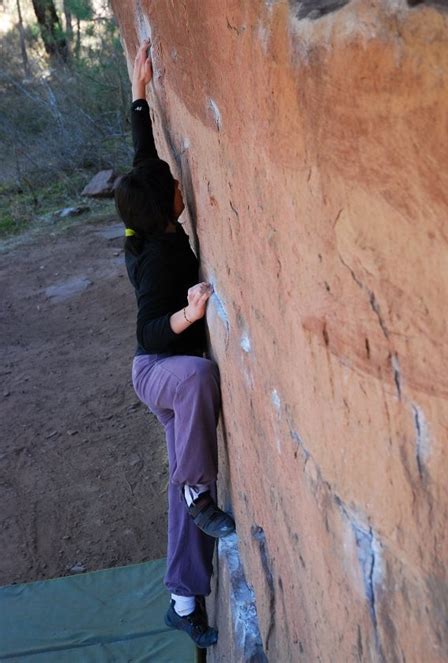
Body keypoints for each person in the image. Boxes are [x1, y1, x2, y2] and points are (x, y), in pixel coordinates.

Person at [114, 39, 235, 649]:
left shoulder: (147, 216)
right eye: (176, 190)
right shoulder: (157, 260)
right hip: (159, 367)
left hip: (168, 366)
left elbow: (144, 162)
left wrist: (141, 93)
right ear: (167, 212)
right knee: (198, 379)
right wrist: (188, 318)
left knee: (184, 470)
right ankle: (197, 490)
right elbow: (148, 332)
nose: (182, 189)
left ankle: (183, 601)